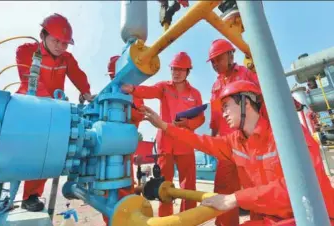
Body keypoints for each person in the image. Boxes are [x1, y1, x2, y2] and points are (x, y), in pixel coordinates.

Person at [141, 80, 334, 226]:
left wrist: (234, 199)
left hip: (313, 218)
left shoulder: (288, 133)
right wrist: (164, 126)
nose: (223, 113)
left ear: (246, 103)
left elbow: (301, 187)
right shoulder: (235, 141)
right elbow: (200, 141)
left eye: (226, 106)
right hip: (269, 219)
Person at [16, 13, 94, 212]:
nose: (60, 46)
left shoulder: (66, 59)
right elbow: (29, 81)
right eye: (56, 40)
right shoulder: (27, 51)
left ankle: (31, 195)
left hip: (52, 109)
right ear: (43, 35)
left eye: (65, 43)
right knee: (15, 147)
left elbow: (77, 74)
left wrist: (86, 92)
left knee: (46, 150)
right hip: (28, 106)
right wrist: (52, 104)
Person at [121, 52, 205, 216]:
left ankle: (189, 219)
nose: (176, 72)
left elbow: (200, 118)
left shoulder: (195, 94)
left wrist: (187, 124)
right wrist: (133, 89)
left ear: (188, 71)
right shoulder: (164, 87)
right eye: (174, 69)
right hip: (165, 145)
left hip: (186, 143)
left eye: (180, 69)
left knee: (189, 187)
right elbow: (149, 91)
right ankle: (165, 220)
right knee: (163, 187)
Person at [207, 39, 263, 226]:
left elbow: (261, 98)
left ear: (230, 55)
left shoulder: (246, 74)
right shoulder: (215, 85)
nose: (215, 64)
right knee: (223, 188)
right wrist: (213, 135)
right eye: (212, 62)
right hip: (226, 144)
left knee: (254, 188)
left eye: (217, 59)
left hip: (249, 141)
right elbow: (215, 113)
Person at [102, 55, 145, 225]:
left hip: (125, 152)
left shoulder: (134, 93)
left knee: (126, 189)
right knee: (107, 192)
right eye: (113, 77)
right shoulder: (105, 93)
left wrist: (128, 103)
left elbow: (139, 113)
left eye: (117, 76)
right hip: (106, 152)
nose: (115, 80)